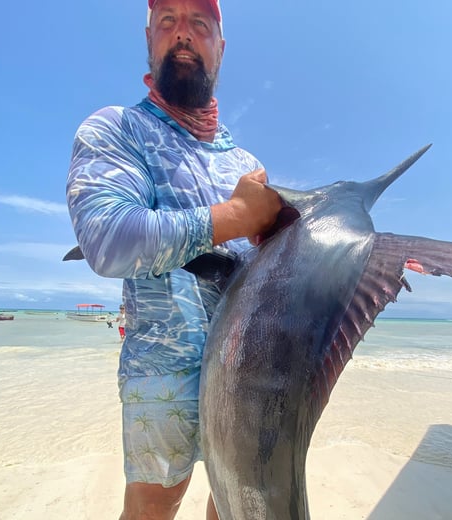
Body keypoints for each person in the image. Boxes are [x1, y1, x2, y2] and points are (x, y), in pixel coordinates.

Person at [65, 1, 282, 519]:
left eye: (199, 24)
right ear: (150, 40)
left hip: (246, 370)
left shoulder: (247, 165)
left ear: (220, 49)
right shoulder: (117, 130)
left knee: (233, 496)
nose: (182, 33)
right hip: (159, 370)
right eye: (168, 22)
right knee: (155, 505)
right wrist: (234, 215)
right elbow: (107, 239)